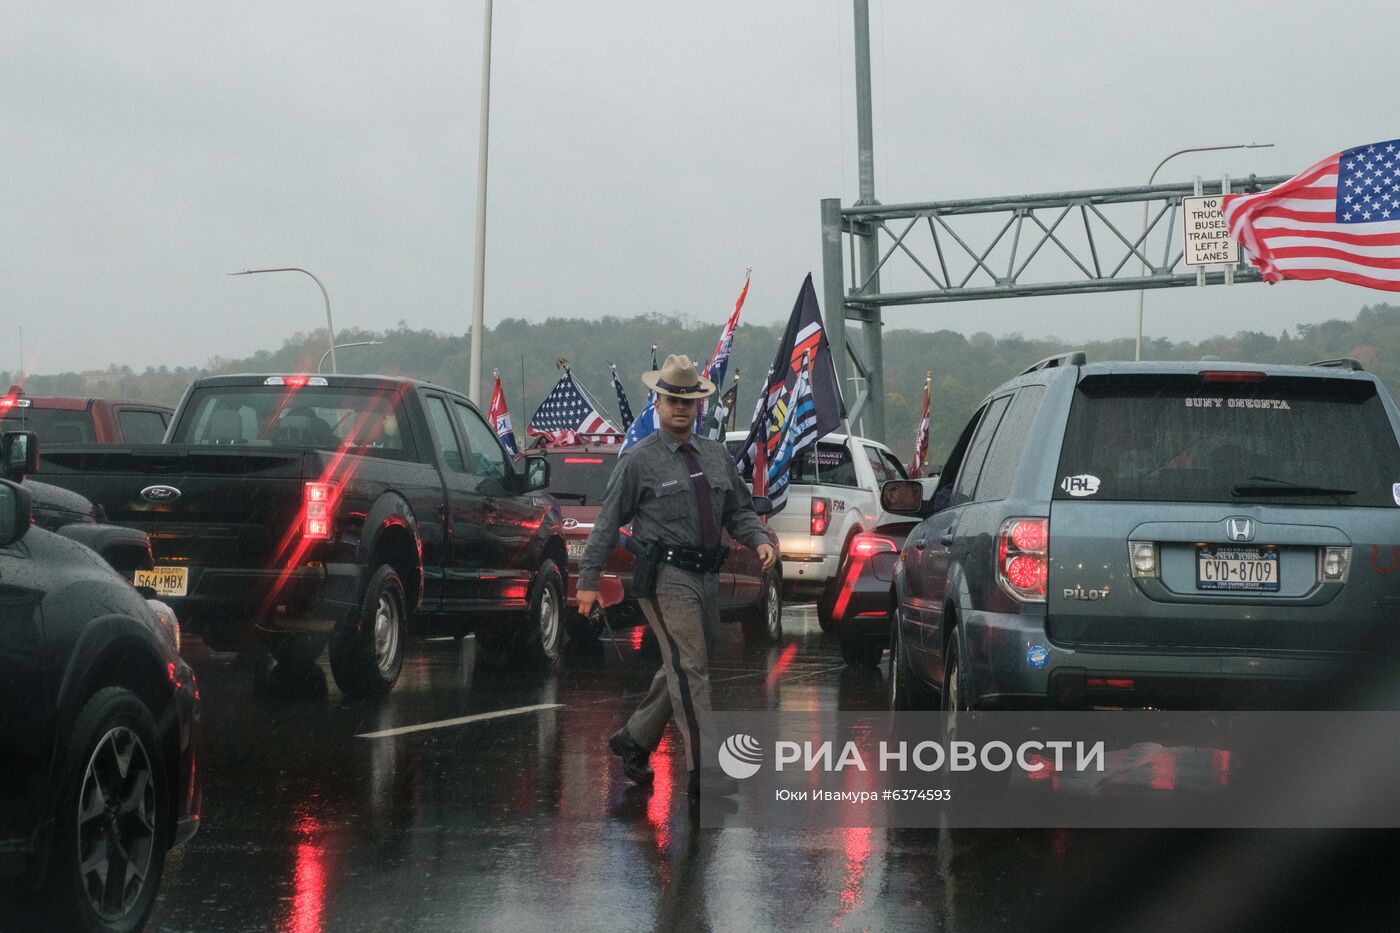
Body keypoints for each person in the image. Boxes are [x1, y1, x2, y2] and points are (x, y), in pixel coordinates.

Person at [576, 354, 777, 799]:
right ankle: (705, 770)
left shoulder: (715, 455)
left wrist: (759, 536)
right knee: (692, 668)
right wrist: (588, 580)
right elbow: (607, 521)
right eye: (671, 400)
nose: (680, 408)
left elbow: (739, 509)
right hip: (665, 577)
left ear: (698, 405)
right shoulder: (639, 461)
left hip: (708, 578)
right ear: (659, 402)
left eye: (688, 400)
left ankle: (633, 739)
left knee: (683, 667)